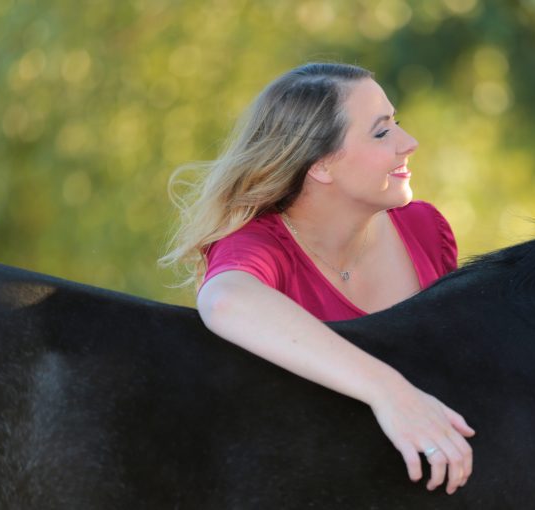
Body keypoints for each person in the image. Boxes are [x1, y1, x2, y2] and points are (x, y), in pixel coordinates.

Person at [160, 62, 475, 495]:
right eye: (382, 132)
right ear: (322, 165)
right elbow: (224, 301)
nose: (410, 143)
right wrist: (390, 392)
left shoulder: (426, 229)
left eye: (396, 123)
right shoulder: (261, 244)